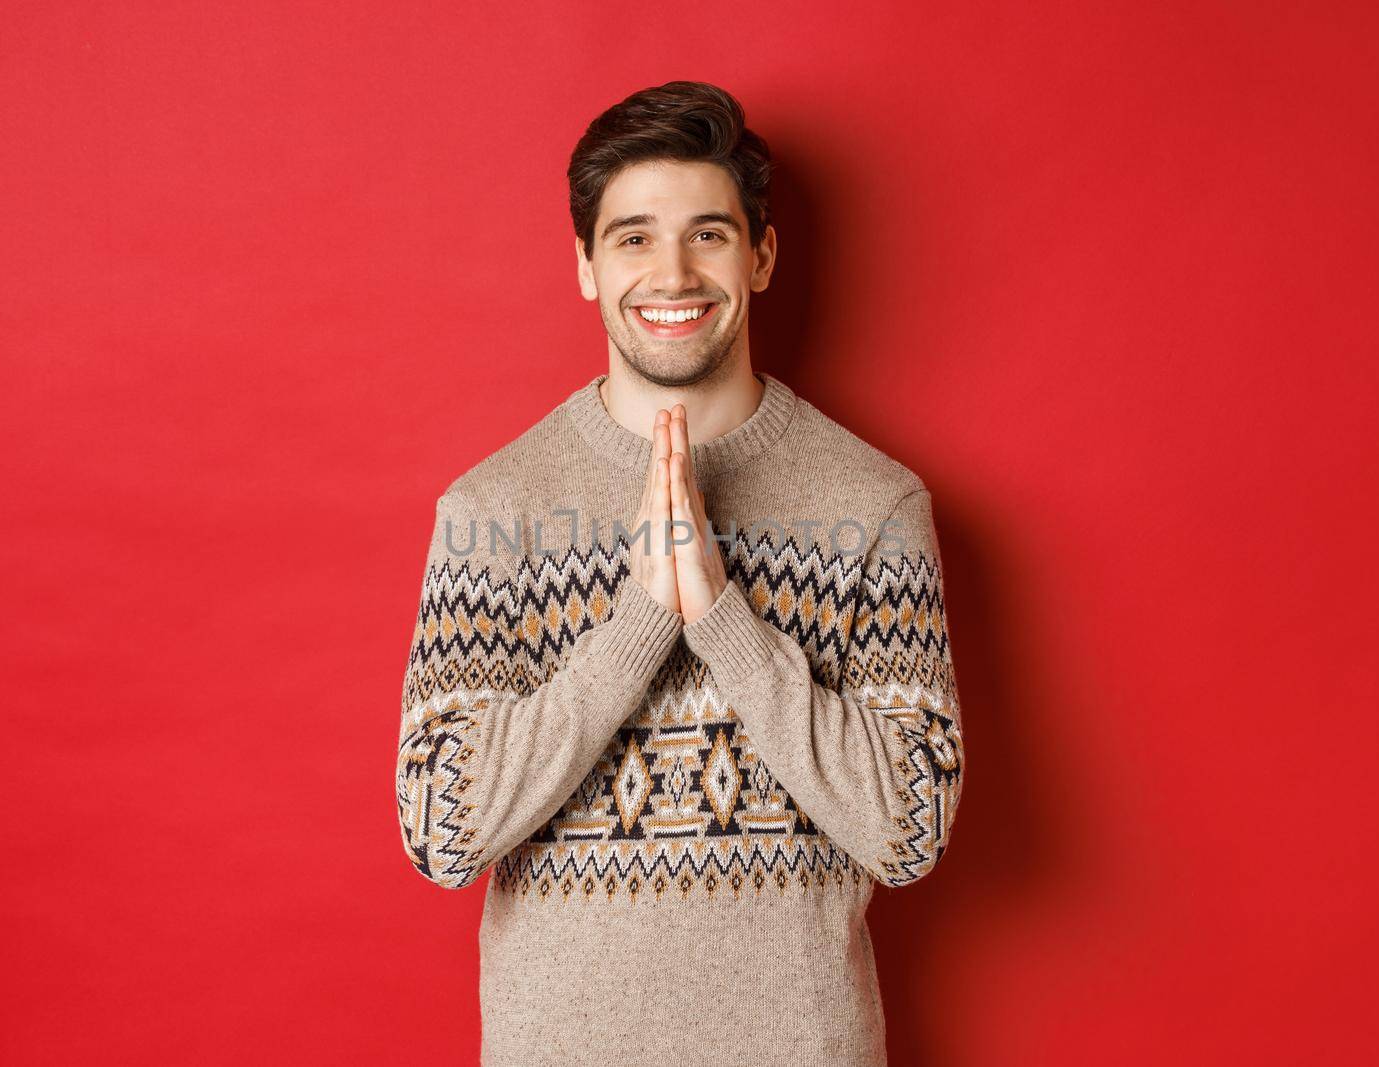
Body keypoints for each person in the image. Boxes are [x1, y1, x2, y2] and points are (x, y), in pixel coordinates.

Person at [395, 79, 965, 1066]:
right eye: (632, 237)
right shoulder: (492, 511)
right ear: (584, 265)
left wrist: (719, 612)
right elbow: (444, 834)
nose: (672, 270)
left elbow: (908, 831)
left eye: (707, 233)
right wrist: (635, 626)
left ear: (761, 254)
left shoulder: (875, 505)